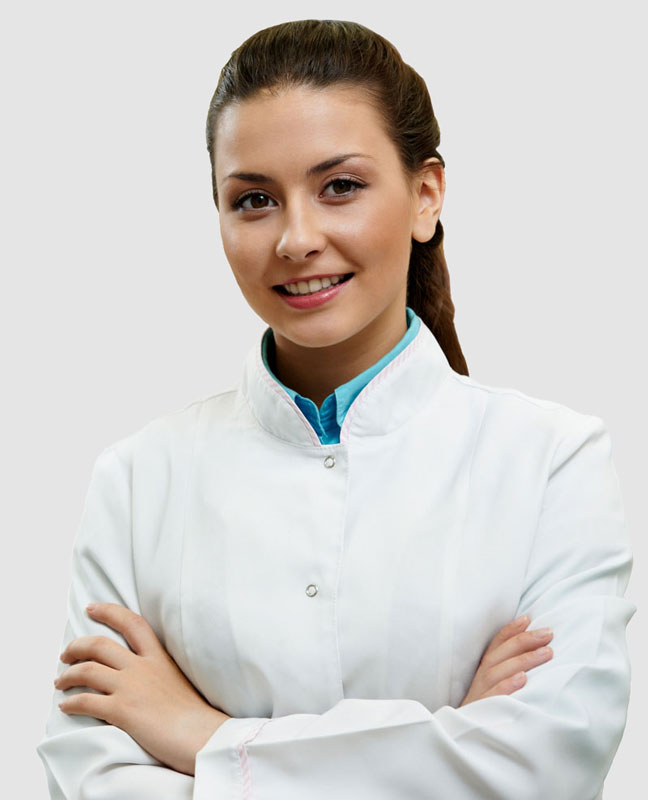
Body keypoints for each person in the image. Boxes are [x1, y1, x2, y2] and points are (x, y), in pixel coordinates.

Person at [37, 19, 635, 799]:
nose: (296, 237)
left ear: (426, 196)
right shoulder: (137, 480)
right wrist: (448, 740)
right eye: (253, 199)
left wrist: (204, 739)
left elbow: (544, 766)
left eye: (340, 187)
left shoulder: (553, 460)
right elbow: (91, 778)